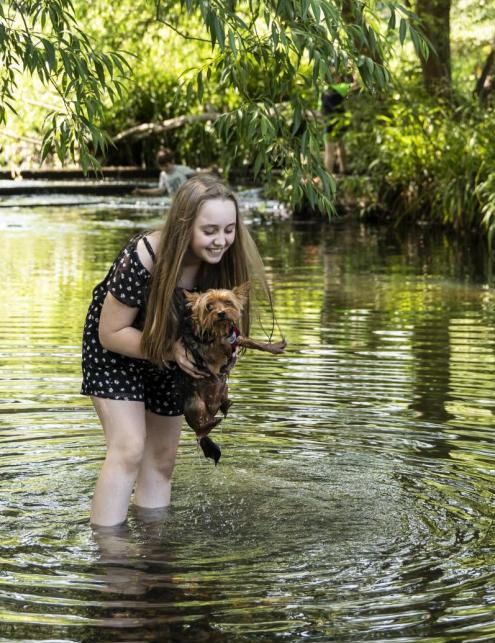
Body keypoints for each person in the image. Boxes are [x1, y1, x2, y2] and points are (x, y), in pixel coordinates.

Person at [81, 176, 275, 526]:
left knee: (162, 457)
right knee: (129, 447)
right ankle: (111, 559)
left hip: (174, 350)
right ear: (184, 225)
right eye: (210, 230)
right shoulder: (144, 257)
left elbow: (222, 334)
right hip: (118, 348)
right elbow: (110, 333)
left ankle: (154, 553)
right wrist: (169, 351)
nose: (221, 240)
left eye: (229, 229)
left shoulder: (221, 264)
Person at [132, 148, 197, 197]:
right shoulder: (163, 175)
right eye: (161, 167)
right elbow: (161, 191)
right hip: (174, 200)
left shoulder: (181, 169)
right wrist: (142, 191)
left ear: (172, 161)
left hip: (186, 198)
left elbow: (197, 176)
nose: (164, 168)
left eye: (166, 166)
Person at [321, 78, 352, 175]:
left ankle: (328, 176)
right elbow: (354, 85)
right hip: (340, 123)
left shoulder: (324, 92)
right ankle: (344, 169)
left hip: (329, 124)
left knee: (329, 152)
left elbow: (321, 109)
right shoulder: (342, 89)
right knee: (341, 145)